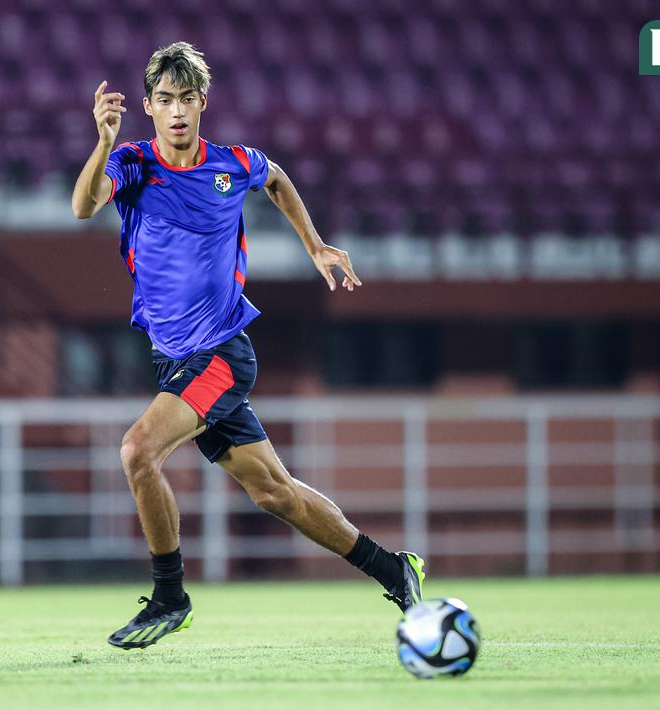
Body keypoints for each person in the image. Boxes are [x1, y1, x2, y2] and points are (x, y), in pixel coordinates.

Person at [70, 43, 425, 651]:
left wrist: (314, 245)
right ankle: (395, 570)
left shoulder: (233, 163)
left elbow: (278, 179)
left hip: (219, 356)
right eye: (163, 100)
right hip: (173, 359)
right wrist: (102, 140)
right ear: (149, 108)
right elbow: (82, 207)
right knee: (274, 493)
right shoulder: (132, 163)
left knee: (137, 452)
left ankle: (169, 595)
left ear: (203, 103)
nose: (176, 111)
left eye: (186, 99)